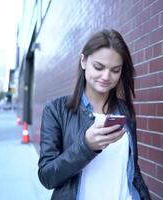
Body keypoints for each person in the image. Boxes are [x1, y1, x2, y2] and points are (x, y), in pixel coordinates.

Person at [38, 29, 151, 200]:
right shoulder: (56, 110)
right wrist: (86, 146)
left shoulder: (124, 111)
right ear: (83, 61)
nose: (106, 76)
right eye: (99, 67)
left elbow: (132, 168)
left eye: (115, 70)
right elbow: (47, 176)